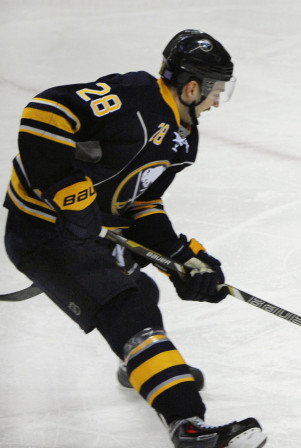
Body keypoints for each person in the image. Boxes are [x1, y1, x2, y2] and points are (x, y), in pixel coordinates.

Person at [4, 29, 267, 447]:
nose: (218, 101)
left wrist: (186, 259)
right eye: (217, 90)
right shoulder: (133, 98)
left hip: (89, 237)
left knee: (140, 292)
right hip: (42, 232)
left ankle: (146, 369)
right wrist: (68, 193)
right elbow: (45, 112)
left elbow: (141, 203)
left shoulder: (183, 139)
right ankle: (187, 423)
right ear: (193, 86)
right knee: (127, 309)